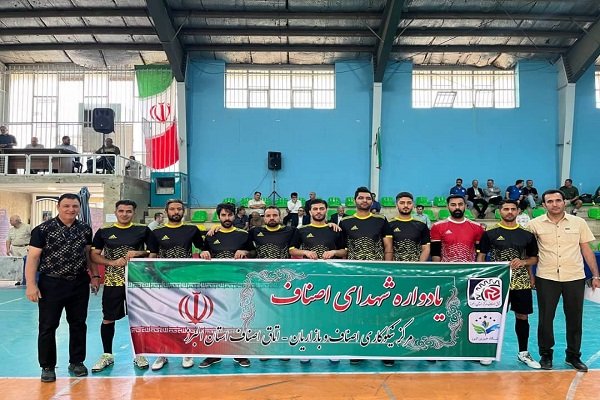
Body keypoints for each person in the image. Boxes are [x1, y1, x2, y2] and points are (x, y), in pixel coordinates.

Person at [24, 193, 97, 383]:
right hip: (51, 284)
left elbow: (88, 254)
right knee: (48, 326)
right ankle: (47, 366)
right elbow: (33, 258)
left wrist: (95, 276)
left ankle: (77, 362)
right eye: (66, 206)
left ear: (79, 208)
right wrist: (31, 285)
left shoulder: (85, 229)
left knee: (78, 324)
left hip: (79, 283)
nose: (71, 209)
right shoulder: (42, 230)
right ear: (58, 207)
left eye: (75, 206)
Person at [527, 189, 600, 372]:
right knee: (545, 319)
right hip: (546, 277)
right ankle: (546, 354)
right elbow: (529, 254)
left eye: (558, 200)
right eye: (550, 201)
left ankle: (573, 356)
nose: (555, 204)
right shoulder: (534, 225)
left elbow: (586, 250)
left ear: (564, 202)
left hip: (574, 277)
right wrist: (531, 275)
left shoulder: (579, 223)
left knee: (575, 318)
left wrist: (596, 275)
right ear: (544, 205)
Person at [90, 200, 152, 372]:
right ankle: (107, 355)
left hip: (136, 281)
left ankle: (139, 354)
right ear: (116, 212)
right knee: (108, 318)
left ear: (134, 213)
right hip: (113, 281)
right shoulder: (104, 231)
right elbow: (94, 255)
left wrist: (138, 253)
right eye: (121, 211)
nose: (125, 214)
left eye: (128, 211)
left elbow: (152, 252)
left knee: (138, 318)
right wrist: (112, 262)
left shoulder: (143, 230)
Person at [478, 200, 541, 369]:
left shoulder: (527, 235)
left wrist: (524, 263)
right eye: (506, 209)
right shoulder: (490, 234)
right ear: (500, 211)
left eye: (513, 209)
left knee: (522, 316)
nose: (510, 212)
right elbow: (481, 257)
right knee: (493, 316)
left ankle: (523, 353)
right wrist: (484, 278)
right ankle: (488, 352)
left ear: (518, 211)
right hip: (497, 283)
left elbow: (534, 259)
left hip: (521, 282)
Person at [147, 199, 205, 371]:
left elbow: (203, 247)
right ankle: (162, 353)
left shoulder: (192, 230)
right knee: (163, 317)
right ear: (166, 212)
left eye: (179, 209)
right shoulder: (157, 232)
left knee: (186, 317)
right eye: (172, 209)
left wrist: (212, 232)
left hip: (186, 280)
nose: (176, 212)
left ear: (183, 211)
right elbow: (152, 255)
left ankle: (187, 352)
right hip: (163, 281)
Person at [339, 187, 393, 365]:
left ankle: (386, 350)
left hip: (377, 274)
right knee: (357, 313)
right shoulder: (345, 222)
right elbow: (343, 250)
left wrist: (387, 269)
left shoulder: (381, 220)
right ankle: (358, 349)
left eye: (368, 198)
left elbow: (388, 246)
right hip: (354, 276)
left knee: (382, 312)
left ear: (372, 201)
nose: (364, 201)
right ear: (355, 200)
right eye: (361, 198)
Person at [289, 198, 347, 364]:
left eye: (322, 208)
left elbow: (344, 252)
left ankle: (332, 347)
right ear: (309, 212)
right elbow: (292, 249)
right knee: (308, 313)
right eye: (315, 209)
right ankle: (306, 347)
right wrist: (305, 252)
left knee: (331, 313)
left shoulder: (335, 229)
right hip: (308, 279)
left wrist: (334, 252)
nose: (319, 211)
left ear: (326, 210)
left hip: (331, 278)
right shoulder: (301, 230)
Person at [430, 194, 486, 364]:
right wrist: (439, 277)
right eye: (453, 204)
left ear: (465, 206)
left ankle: (473, 350)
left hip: (470, 278)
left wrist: (477, 275)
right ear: (448, 207)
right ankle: (441, 347)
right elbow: (435, 254)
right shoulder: (438, 227)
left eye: (460, 204)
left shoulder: (477, 228)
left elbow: (480, 255)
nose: (457, 207)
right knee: (445, 313)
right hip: (447, 278)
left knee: (470, 313)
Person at [198, 203, 253, 368]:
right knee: (214, 318)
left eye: (229, 215)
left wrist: (246, 252)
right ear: (218, 216)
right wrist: (202, 253)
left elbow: (254, 252)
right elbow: (203, 252)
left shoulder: (243, 235)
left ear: (235, 216)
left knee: (236, 318)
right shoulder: (211, 235)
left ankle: (239, 353)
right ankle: (213, 354)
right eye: (223, 215)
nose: (227, 218)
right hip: (215, 283)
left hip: (237, 283)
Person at [249, 205, 300, 362]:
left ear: (280, 217)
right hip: (262, 282)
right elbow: (249, 250)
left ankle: (283, 348)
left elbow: (297, 246)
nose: (271, 218)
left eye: (275, 215)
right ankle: (264, 348)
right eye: (268, 215)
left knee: (283, 315)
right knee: (263, 315)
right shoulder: (254, 232)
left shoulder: (291, 231)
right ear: (264, 218)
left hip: (283, 282)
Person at [389, 192, 430, 262]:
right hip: (395, 266)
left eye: (409, 203)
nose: (406, 205)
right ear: (396, 205)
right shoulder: (389, 225)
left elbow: (426, 248)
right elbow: (388, 249)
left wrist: (418, 265)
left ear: (413, 205)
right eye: (402, 203)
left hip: (415, 266)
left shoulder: (422, 225)